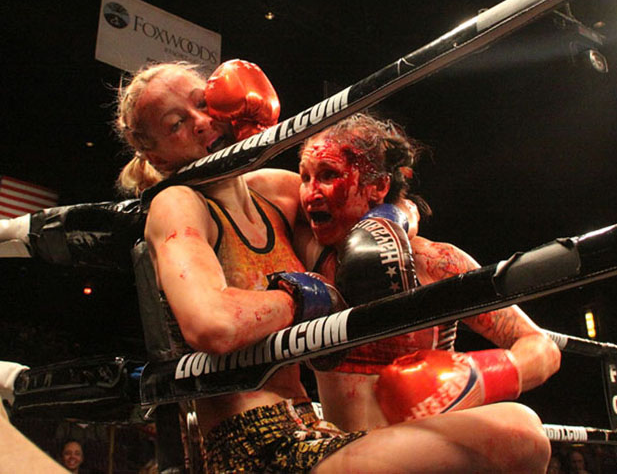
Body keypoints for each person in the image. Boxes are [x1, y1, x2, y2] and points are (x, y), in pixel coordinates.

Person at [114, 59, 551, 472]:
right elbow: (212, 324)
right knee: (519, 433)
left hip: (311, 430)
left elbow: (376, 205)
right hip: (254, 446)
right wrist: (307, 299)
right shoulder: (177, 203)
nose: (203, 121)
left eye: (202, 101)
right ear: (156, 158)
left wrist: (394, 221)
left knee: (520, 429)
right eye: (176, 124)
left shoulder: (277, 196)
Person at [295, 113, 561, 432]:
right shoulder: (309, 249)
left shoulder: (435, 262)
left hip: (423, 451)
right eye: (304, 177)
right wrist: (401, 213)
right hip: (345, 454)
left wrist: (472, 379)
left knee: (524, 430)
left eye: (327, 175)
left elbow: (541, 347)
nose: (310, 193)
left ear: (378, 185)